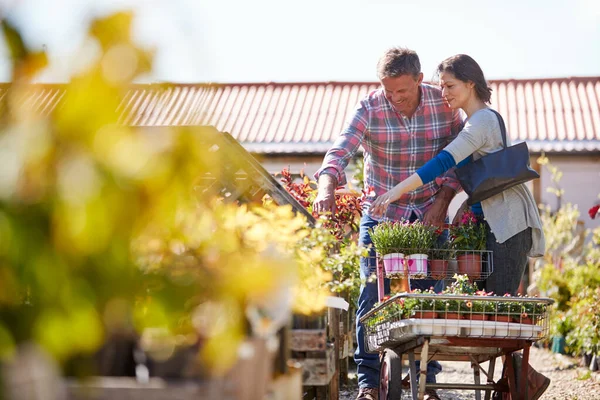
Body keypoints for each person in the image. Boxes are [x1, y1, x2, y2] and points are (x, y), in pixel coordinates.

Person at [370, 54, 550, 400]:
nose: (444, 93)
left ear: (471, 83)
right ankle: (520, 380)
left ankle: (525, 380)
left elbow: (442, 163)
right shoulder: (473, 122)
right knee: (491, 312)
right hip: (492, 226)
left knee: (499, 313)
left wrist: (393, 193)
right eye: (441, 86)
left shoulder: (480, 122)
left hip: (509, 225)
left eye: (450, 86)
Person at [313, 47, 463, 400]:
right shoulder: (369, 107)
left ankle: (424, 381)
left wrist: (443, 200)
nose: (394, 99)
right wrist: (326, 184)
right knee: (371, 295)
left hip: (430, 211)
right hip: (383, 214)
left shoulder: (442, 104)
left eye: (402, 91)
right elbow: (341, 149)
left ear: (419, 80)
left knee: (428, 298)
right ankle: (368, 383)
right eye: (388, 91)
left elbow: (462, 150)